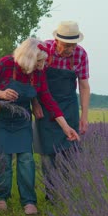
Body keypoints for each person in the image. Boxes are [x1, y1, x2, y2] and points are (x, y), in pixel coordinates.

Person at [0, 37, 80, 215]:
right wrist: (0, 93)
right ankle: (1, 197)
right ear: (29, 58)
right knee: (2, 159)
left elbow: (48, 100)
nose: (43, 65)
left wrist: (66, 127)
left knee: (26, 159)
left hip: (21, 119)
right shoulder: (5, 64)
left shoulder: (38, 72)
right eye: (39, 61)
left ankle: (28, 201)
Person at [33, 21, 90, 200]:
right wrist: (35, 104)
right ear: (57, 41)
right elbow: (32, 79)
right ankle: (51, 196)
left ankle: (65, 193)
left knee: (69, 151)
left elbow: (84, 86)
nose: (71, 50)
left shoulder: (81, 54)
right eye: (67, 46)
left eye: (73, 45)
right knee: (47, 152)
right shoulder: (44, 50)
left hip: (68, 106)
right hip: (45, 105)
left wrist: (84, 116)